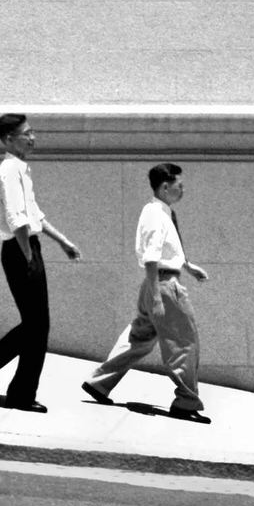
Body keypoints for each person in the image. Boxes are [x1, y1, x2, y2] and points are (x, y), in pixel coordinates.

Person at [0, 113, 82, 413]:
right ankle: (19, 394)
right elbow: (18, 220)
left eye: (33, 133)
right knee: (38, 326)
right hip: (20, 250)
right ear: (8, 139)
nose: (33, 138)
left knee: (36, 325)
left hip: (26, 247)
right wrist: (29, 257)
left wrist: (63, 242)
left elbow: (35, 215)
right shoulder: (9, 170)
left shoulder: (20, 169)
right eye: (26, 134)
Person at [81, 161, 211, 422]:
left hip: (156, 284)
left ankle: (99, 382)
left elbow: (164, 251)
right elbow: (152, 258)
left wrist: (187, 266)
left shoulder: (159, 212)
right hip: (163, 287)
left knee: (138, 339)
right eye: (179, 185)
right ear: (165, 187)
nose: (183, 190)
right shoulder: (156, 215)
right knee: (184, 342)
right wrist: (156, 297)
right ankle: (186, 401)